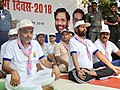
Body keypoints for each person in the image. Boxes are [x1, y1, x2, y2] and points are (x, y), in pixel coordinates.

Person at [2, 19, 60, 90]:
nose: (29, 35)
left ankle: (32, 87)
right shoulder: (11, 45)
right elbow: (5, 65)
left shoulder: (35, 44)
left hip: (34, 76)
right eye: (25, 32)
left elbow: (44, 62)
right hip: (19, 77)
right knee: (9, 81)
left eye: (31, 32)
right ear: (19, 32)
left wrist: (54, 66)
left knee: (52, 73)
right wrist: (13, 72)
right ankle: (40, 88)